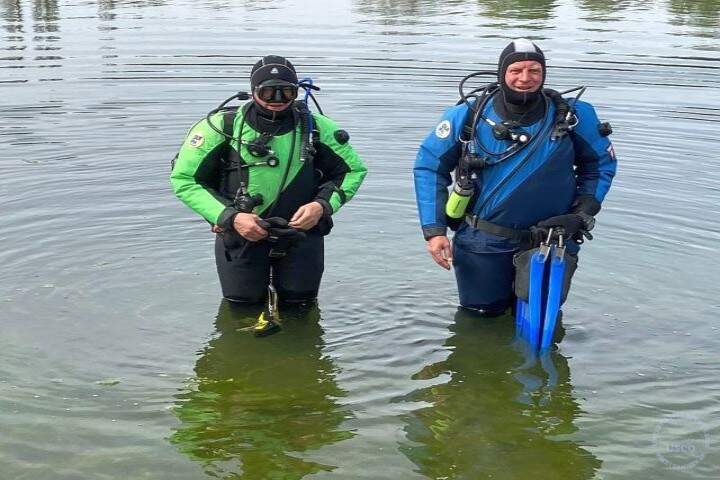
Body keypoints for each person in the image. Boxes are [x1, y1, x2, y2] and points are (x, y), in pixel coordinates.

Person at [413, 39, 616, 315]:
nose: (525, 78)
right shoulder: (468, 116)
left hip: (552, 240)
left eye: (534, 70)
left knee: (541, 319)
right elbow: (429, 167)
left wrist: (583, 213)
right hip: (482, 242)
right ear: (502, 73)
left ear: (544, 74)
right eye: (516, 70)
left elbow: (600, 165)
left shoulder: (574, 117)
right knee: (480, 319)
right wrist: (434, 231)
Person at [171, 55, 366, 304]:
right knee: (241, 307)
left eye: (287, 92)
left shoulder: (318, 129)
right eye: (268, 92)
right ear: (253, 91)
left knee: (302, 307)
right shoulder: (221, 128)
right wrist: (230, 217)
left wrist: (322, 205)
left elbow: (353, 171)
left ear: (296, 92)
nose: (277, 100)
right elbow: (185, 179)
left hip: (302, 235)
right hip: (240, 235)